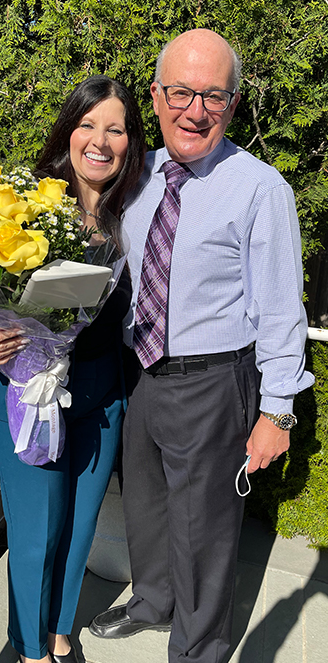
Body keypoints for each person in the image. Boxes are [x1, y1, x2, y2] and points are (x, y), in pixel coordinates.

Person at [88, 30, 314, 662]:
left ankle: (199, 649)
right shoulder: (139, 175)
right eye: (181, 92)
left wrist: (277, 414)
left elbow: (279, 312)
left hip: (215, 384)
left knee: (207, 531)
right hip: (143, 374)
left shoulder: (260, 189)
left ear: (232, 106)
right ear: (156, 98)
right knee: (150, 507)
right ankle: (151, 603)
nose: (195, 110)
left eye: (213, 96)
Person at [0, 75, 146, 663]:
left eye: (116, 128)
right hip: (21, 399)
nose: (100, 140)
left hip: (100, 400)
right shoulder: (24, 205)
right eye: (88, 124)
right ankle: (29, 649)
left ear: (131, 142)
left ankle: (58, 634)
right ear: (68, 132)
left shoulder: (135, 215)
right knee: (35, 536)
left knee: (78, 533)